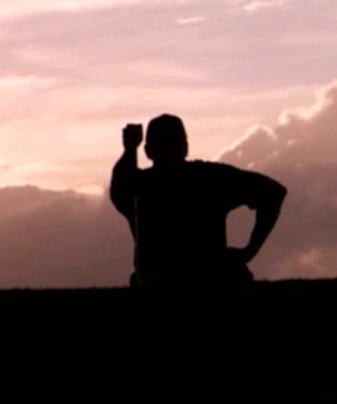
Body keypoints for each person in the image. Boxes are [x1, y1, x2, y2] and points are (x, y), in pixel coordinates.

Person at [109, 114, 286, 289]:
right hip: (208, 280)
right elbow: (273, 192)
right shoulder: (210, 177)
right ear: (185, 147)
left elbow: (121, 186)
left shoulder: (141, 186)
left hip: (158, 282)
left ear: (148, 151)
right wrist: (249, 251)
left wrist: (130, 149)